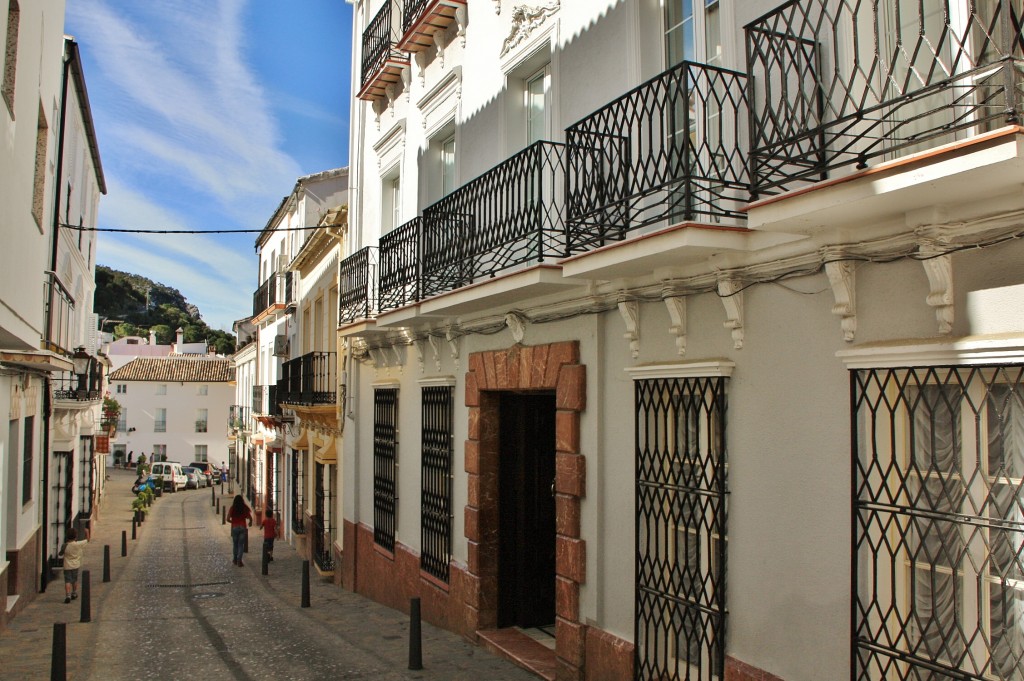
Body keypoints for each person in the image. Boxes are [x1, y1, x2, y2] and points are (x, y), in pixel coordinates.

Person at [61, 527, 90, 604]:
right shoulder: (78, 544)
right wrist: (87, 532)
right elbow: (87, 540)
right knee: (74, 580)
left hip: (67, 565)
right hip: (76, 565)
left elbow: (60, 553)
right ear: (76, 536)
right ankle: (74, 592)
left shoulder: (65, 545)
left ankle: (68, 595)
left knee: (67, 581)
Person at [226, 495, 253, 567]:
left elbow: (227, 519)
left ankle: (235, 559)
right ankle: (239, 561)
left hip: (234, 528)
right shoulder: (244, 508)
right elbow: (250, 517)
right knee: (241, 545)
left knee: (235, 545)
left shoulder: (232, 508)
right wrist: (250, 522)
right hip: (242, 527)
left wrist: (233, 522)